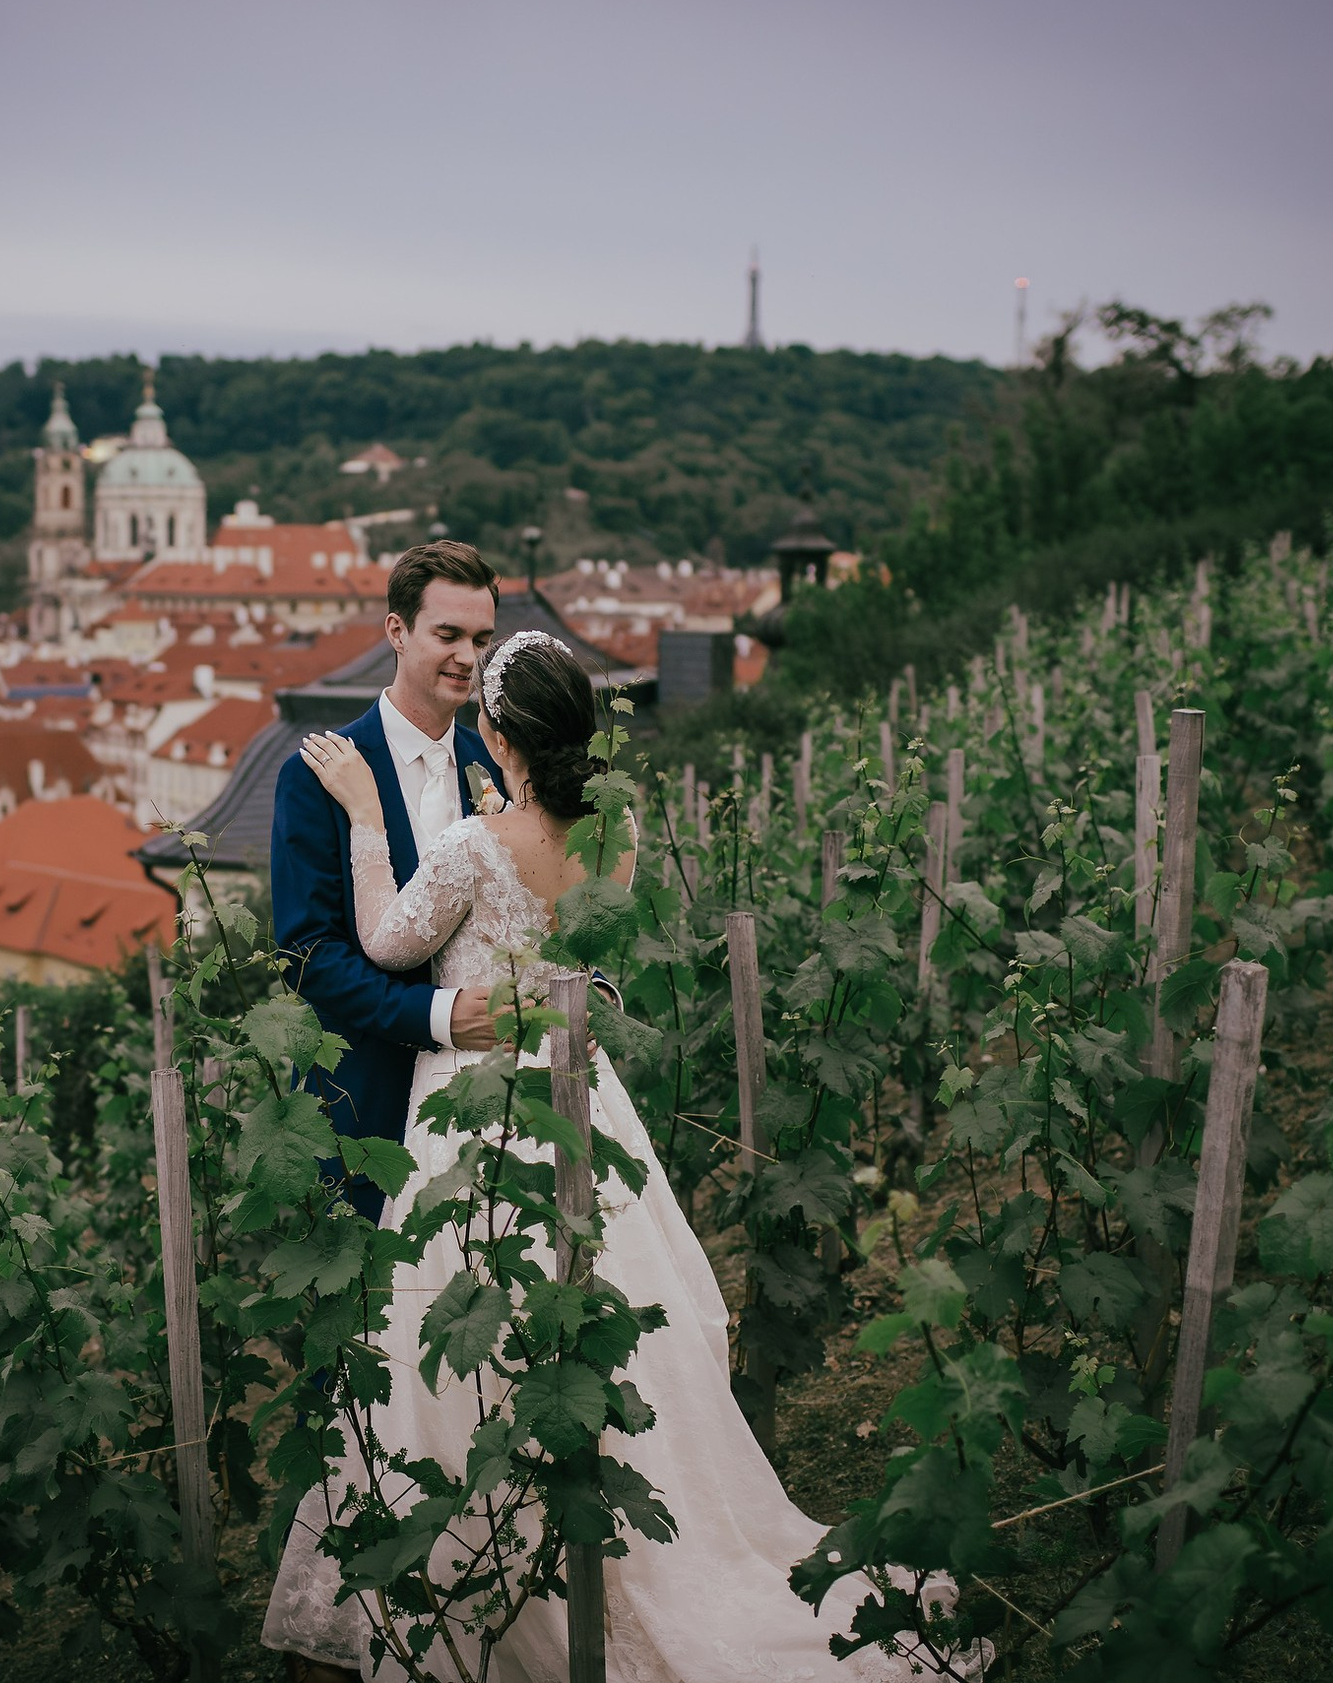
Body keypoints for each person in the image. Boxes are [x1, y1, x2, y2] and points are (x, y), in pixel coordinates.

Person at [262, 630, 980, 1682]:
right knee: (591, 1308)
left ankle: (468, 1581)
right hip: (578, 1093)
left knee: (458, 1326)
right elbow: (560, 925)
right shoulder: (616, 832)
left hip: (479, 1100)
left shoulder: (467, 845)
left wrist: (371, 819)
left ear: (499, 733)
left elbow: (383, 944)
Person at [271, 539, 505, 1224]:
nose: (468, 656)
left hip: (487, 1101)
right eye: (449, 634)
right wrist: (438, 1017)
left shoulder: (496, 764)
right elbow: (308, 954)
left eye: (482, 638)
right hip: (364, 1101)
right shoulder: (317, 774)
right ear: (397, 631)